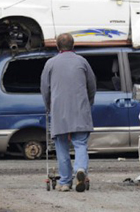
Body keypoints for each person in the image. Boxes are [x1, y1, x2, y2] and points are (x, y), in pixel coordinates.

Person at [40, 33, 97, 192]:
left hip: (59, 111)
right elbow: (92, 86)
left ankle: (65, 182)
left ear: (58, 47)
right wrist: (88, 103)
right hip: (80, 109)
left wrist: (48, 107)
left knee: (61, 147)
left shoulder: (50, 64)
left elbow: (45, 89)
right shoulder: (82, 62)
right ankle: (80, 169)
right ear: (73, 46)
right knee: (80, 144)